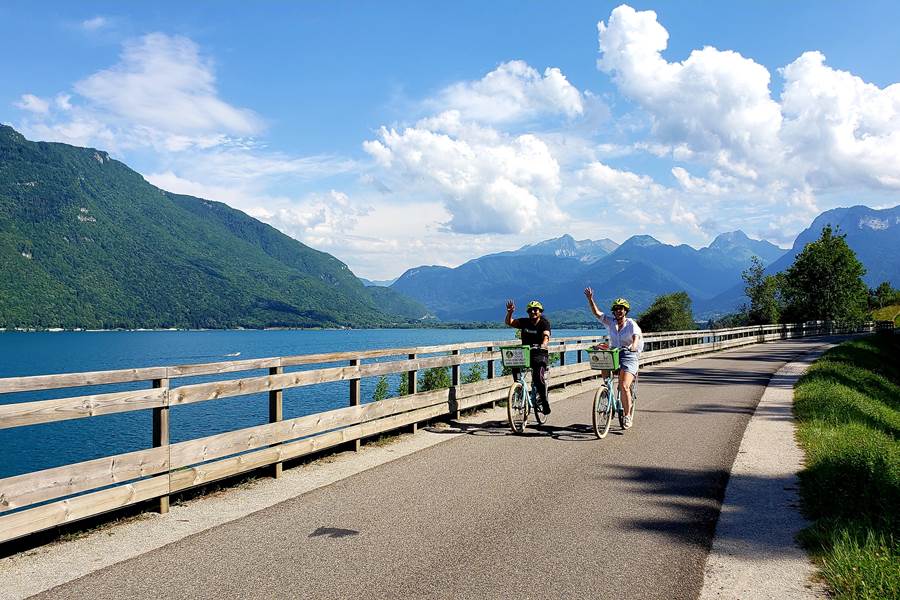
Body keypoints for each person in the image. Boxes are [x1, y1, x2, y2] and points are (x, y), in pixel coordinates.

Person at [583, 288, 643, 429]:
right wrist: (590, 299)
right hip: (615, 353)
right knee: (603, 362)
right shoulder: (611, 322)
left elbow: (636, 337)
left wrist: (633, 346)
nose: (618, 311)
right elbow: (597, 314)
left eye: (621, 309)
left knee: (624, 386)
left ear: (625, 311)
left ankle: (627, 416)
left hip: (629, 354)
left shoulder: (631, 324)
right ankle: (606, 390)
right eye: (616, 309)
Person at [504, 299, 552, 414]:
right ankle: (519, 389)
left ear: (540, 311)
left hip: (540, 354)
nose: (533, 312)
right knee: (514, 365)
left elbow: (546, 335)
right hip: (526, 353)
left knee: (537, 377)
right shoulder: (524, 322)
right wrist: (510, 312)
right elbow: (509, 322)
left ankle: (544, 401)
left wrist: (544, 344)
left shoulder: (544, 323)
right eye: (530, 310)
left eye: (536, 310)